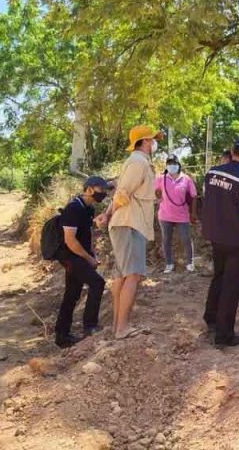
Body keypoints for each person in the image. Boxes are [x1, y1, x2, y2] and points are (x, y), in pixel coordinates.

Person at [95, 125, 162, 339]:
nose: (155, 143)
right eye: (152, 139)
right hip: (129, 223)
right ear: (145, 141)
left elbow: (121, 193)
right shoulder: (138, 162)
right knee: (132, 275)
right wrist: (108, 214)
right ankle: (122, 328)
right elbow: (122, 194)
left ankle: (118, 325)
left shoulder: (138, 162)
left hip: (126, 223)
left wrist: (107, 215)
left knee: (122, 276)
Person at [201, 137, 239, 348]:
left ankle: (211, 318)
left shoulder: (211, 173)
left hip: (216, 235)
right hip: (238, 240)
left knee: (219, 276)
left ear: (232, 151)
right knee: (232, 285)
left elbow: (210, 198)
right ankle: (224, 334)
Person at [54, 176, 109, 348]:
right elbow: (70, 240)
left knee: (72, 294)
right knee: (97, 283)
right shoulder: (73, 208)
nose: (103, 193)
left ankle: (62, 336)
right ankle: (90, 327)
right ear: (89, 189)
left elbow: (87, 234)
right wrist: (89, 258)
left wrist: (92, 253)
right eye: (101, 189)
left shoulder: (89, 208)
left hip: (80, 255)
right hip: (70, 256)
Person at [155, 155, 197, 274]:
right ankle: (169, 264)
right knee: (166, 240)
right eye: (169, 163)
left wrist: (193, 213)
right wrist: (157, 195)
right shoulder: (161, 178)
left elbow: (193, 196)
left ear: (178, 165)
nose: (171, 166)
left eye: (173, 163)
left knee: (186, 239)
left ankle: (190, 263)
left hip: (182, 216)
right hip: (165, 216)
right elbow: (156, 192)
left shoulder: (186, 179)